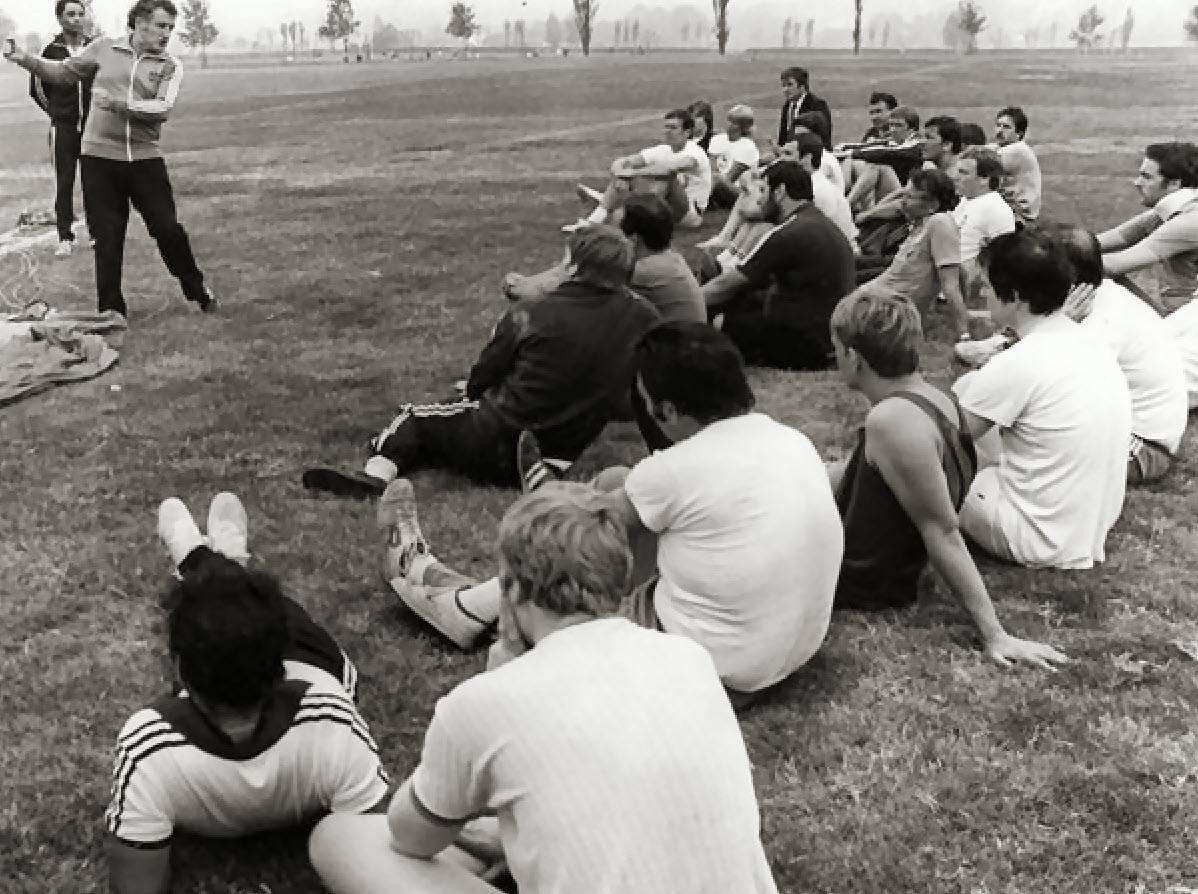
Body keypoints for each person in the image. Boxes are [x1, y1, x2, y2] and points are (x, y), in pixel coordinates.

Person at [311, 483, 781, 894]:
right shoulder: (689, 659)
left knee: (339, 839)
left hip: (452, 800)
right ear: (620, 581)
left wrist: (497, 686)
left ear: (511, 591)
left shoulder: (483, 703)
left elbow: (409, 837)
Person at [379, 324, 844, 707]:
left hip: (710, 674)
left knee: (575, 538)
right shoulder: (792, 440)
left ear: (666, 408)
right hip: (786, 658)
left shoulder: (676, 470)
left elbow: (571, 543)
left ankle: (462, 606)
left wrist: (551, 514)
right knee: (620, 486)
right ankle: (523, 538)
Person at [106, 493, 389, 894]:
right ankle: (225, 557)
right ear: (279, 670)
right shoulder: (334, 725)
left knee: (226, 616)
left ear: (179, 675)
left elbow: (135, 885)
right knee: (257, 607)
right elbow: (378, 854)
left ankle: (196, 556)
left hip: (304, 667)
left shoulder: (148, 747)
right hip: (311, 669)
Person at [302, 226, 660, 498]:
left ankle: (375, 478)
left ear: (576, 265)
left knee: (415, 418)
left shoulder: (533, 312)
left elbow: (484, 376)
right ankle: (535, 471)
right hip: (561, 451)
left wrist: (470, 393)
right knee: (447, 429)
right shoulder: (646, 318)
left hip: (497, 436)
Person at [828, 291, 1069, 669]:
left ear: (853, 357)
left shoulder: (893, 421)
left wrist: (995, 634)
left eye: (836, 349)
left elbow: (942, 530)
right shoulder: (937, 399)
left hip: (863, 583)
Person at [3, 0, 216, 317]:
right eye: (162, 26)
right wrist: (24, 59)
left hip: (145, 161)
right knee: (107, 237)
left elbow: (161, 109)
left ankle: (198, 291)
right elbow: (62, 74)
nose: (167, 34)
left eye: (171, 27)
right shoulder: (103, 48)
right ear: (141, 24)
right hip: (99, 159)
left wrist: (117, 104)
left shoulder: (170, 65)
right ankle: (111, 311)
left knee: (168, 229)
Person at [953, 231, 1131, 569]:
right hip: (1088, 528)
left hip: (1035, 537)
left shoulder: (1021, 360)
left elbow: (942, 441)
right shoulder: (1088, 343)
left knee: (924, 473)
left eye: (988, 288)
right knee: (972, 395)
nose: (982, 294)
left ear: (1015, 297)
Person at [1054, 225, 1188, 484]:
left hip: (1143, 446)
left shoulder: (1101, 321)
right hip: (1125, 429)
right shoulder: (1097, 297)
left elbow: (1052, 383)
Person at [703, 161, 856, 370]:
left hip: (805, 345)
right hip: (830, 334)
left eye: (764, 191)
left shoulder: (789, 233)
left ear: (780, 191)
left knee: (718, 319)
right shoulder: (820, 223)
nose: (760, 200)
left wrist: (684, 300)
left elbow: (727, 285)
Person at [853, 168, 970, 338]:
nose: (903, 202)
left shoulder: (940, 223)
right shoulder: (921, 224)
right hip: (873, 301)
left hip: (887, 312)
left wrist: (964, 335)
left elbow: (951, 283)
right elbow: (961, 273)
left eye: (909, 197)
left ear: (932, 204)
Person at [568, 108, 712, 231]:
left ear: (687, 132)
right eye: (666, 127)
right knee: (626, 174)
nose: (667, 131)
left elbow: (669, 169)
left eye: (673, 128)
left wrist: (632, 174)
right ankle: (592, 222)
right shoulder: (661, 150)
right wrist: (620, 173)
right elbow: (623, 161)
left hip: (690, 215)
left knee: (665, 177)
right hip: (665, 209)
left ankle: (617, 207)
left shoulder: (695, 152)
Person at [1098, 141, 1198, 314]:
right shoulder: (1168, 213)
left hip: (1187, 327)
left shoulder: (1189, 221)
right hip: (1180, 317)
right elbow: (1095, 242)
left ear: (1174, 184)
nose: (1137, 183)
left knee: (1101, 282)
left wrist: (1050, 262)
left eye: (1146, 177)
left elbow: (1115, 265)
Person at [30, 0, 93, 257]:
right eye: (70, 14)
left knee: (95, 182)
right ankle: (64, 237)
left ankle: (97, 232)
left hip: (93, 129)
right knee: (65, 182)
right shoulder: (50, 52)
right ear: (60, 18)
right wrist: (58, 114)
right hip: (64, 128)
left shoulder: (93, 49)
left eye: (80, 14)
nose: (76, 19)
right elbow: (37, 90)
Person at [951, 146, 1017, 284]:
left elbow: (1003, 261)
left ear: (984, 179)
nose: (955, 177)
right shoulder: (967, 199)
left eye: (963, 173)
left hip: (964, 292)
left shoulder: (997, 209)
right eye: (957, 171)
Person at [994, 106, 1042, 225]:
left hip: (1019, 217)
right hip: (1010, 211)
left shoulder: (1017, 150)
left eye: (1006, 127)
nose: (999, 130)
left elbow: (980, 164)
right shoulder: (1001, 147)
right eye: (998, 125)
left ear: (1019, 133)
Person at [707, 104, 760, 208]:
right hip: (716, 183)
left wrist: (714, 181)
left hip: (738, 191)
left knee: (717, 179)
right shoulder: (717, 139)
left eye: (732, 122)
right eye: (728, 120)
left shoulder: (748, 147)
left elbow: (731, 176)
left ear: (742, 127)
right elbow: (711, 166)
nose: (728, 124)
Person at [777, 65, 832, 147]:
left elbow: (824, 138)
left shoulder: (817, 105)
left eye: (789, 85)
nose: (785, 90)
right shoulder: (787, 107)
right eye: (783, 85)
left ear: (802, 86)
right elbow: (783, 137)